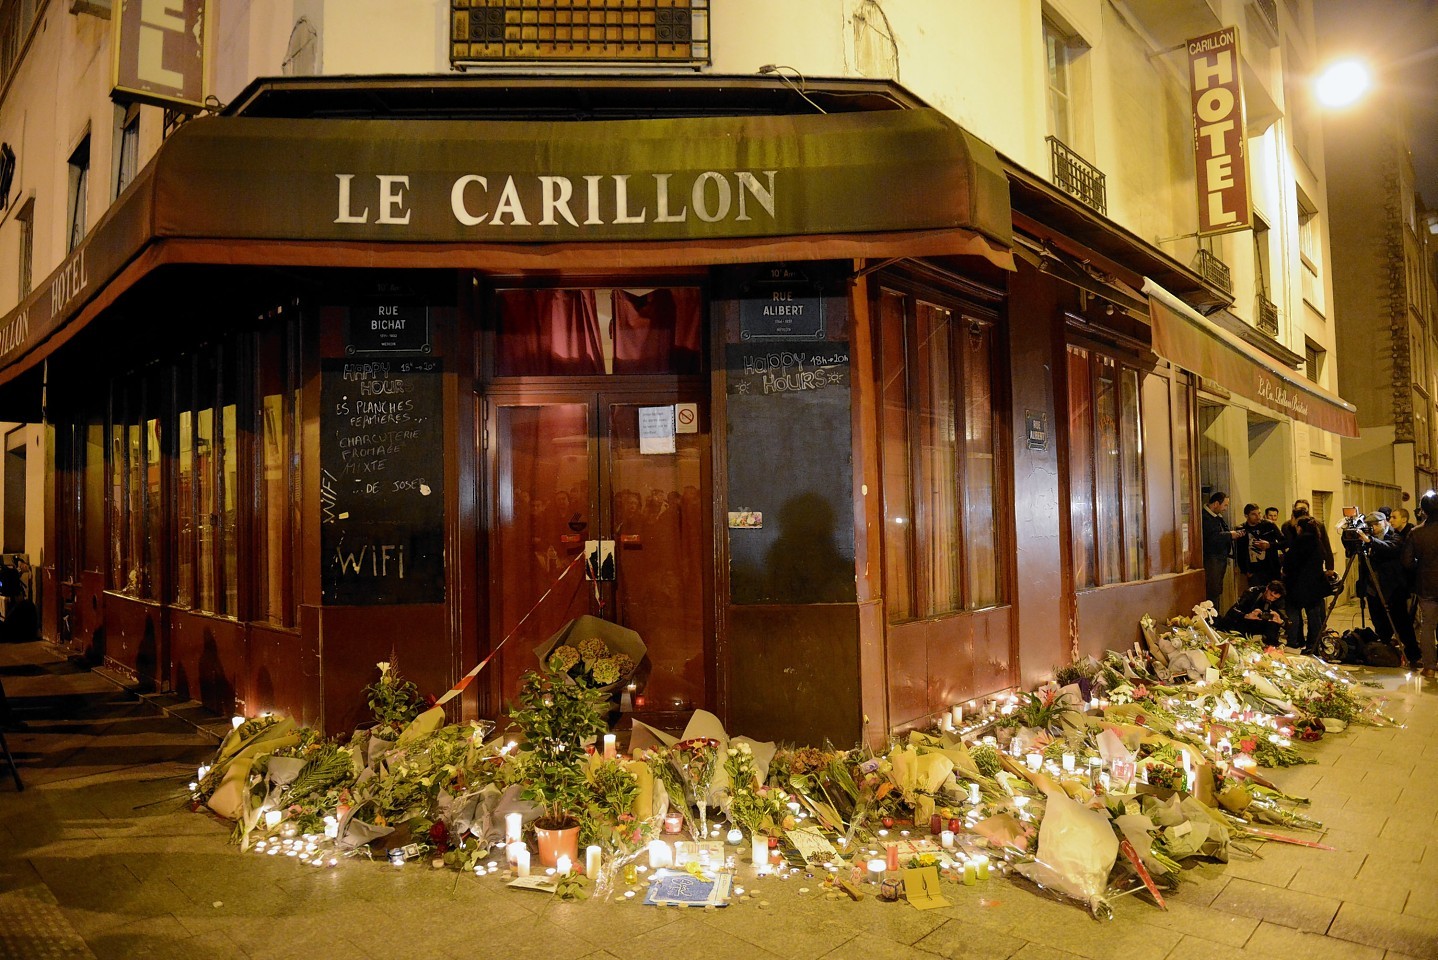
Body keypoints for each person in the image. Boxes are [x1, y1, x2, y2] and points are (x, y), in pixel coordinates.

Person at [1356, 511, 1418, 664]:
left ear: (1385, 523)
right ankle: (1385, 653)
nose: (1374, 528)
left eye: (1377, 524)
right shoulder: (1367, 538)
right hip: (1373, 589)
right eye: (1371, 525)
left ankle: (1413, 655)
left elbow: (1391, 548)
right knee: (1380, 623)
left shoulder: (1395, 535)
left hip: (1393, 588)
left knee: (1402, 624)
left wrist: (1370, 541)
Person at [1402, 492, 1438, 679]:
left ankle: (1430, 667)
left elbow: (1407, 562)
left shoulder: (1416, 532)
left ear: (1423, 510)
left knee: (1427, 626)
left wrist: (1422, 566)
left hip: (1427, 586)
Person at [1283, 516, 1331, 652]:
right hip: (1315, 584)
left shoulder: (1298, 543)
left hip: (1296, 584)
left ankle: (1294, 641)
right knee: (1314, 616)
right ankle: (1313, 645)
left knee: (1293, 612)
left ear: (1300, 528)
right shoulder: (1317, 542)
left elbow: (1288, 563)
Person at [1201, 491, 1245, 606]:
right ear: (1216, 503)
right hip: (1212, 559)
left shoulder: (1217, 517)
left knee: (1217, 589)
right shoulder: (1204, 518)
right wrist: (1230, 535)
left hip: (1219, 558)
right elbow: (1211, 537)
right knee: (1213, 589)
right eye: (1225, 505)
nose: (1225, 509)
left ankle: (1215, 616)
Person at [1217, 579, 1287, 645]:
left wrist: (1281, 621)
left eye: (1275, 598)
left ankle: (1270, 647)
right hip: (1243, 621)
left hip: (1260, 624)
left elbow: (1288, 623)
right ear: (1267, 588)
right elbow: (1233, 611)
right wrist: (1247, 615)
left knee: (1273, 625)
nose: (1271, 599)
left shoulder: (1278, 601)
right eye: (1271, 595)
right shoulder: (1253, 592)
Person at [1235, 503, 1284, 589]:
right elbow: (1240, 551)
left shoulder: (1269, 525)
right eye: (1254, 514)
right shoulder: (1241, 529)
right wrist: (1245, 570)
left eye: (1259, 513)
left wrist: (1269, 545)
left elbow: (1284, 542)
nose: (1258, 517)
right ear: (1246, 516)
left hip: (1271, 567)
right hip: (1254, 570)